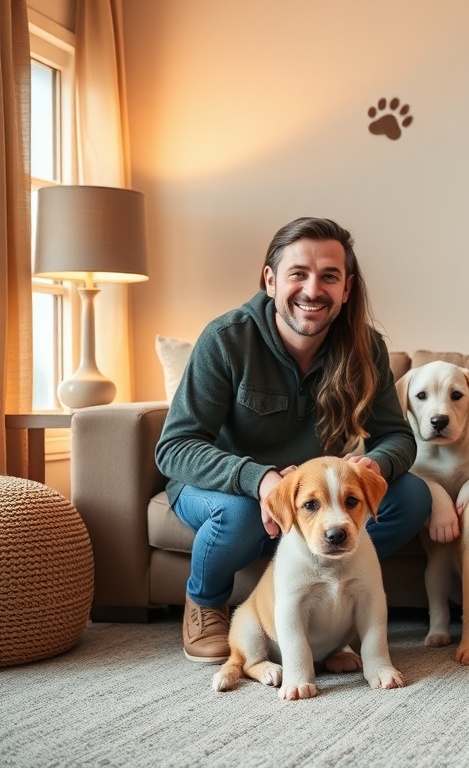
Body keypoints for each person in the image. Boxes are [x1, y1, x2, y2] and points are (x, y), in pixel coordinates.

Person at [155, 216, 431, 663]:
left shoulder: (366, 348)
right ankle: (205, 600)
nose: (312, 289)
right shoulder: (225, 339)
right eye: (298, 274)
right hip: (225, 492)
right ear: (270, 280)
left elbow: (397, 436)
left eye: (329, 276)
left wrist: (376, 465)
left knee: (413, 496)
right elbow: (175, 447)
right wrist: (259, 480)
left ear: (347, 288)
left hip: (313, 505)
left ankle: (323, 599)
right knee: (243, 512)